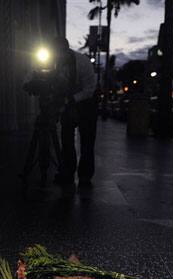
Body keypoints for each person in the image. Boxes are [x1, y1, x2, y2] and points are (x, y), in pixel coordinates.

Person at [52, 37, 97, 187]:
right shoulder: (55, 62)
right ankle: (68, 171)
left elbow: (89, 89)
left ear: (65, 50)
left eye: (58, 53)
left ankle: (85, 176)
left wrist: (72, 99)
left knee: (87, 142)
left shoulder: (82, 62)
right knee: (66, 140)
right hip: (68, 102)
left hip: (87, 103)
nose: (56, 57)